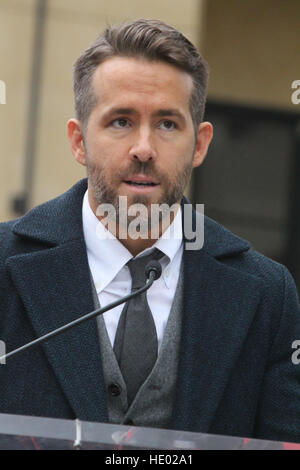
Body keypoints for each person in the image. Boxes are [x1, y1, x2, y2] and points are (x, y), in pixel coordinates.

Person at [0, 19, 300, 445]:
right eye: (121, 121)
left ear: (199, 144)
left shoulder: (268, 293)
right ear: (78, 140)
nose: (144, 148)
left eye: (167, 124)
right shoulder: (3, 264)